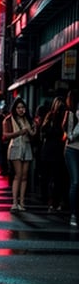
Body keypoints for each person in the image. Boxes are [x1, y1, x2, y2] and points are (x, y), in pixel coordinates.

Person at [2, 97, 36, 212]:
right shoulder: (9, 119)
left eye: (23, 107)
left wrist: (34, 129)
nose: (21, 110)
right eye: (19, 108)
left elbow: (33, 134)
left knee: (25, 175)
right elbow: (5, 135)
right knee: (19, 174)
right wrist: (19, 133)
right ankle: (15, 202)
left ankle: (22, 202)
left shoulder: (28, 119)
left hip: (26, 147)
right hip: (15, 147)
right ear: (15, 108)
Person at [40, 96, 67, 212]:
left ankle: (52, 201)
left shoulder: (55, 116)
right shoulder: (53, 116)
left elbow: (44, 131)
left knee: (54, 177)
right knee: (54, 177)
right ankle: (52, 201)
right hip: (54, 150)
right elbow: (45, 130)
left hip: (53, 150)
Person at [62, 89, 79, 227]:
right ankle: (73, 214)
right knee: (75, 181)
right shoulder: (70, 113)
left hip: (72, 148)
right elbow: (68, 134)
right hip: (72, 149)